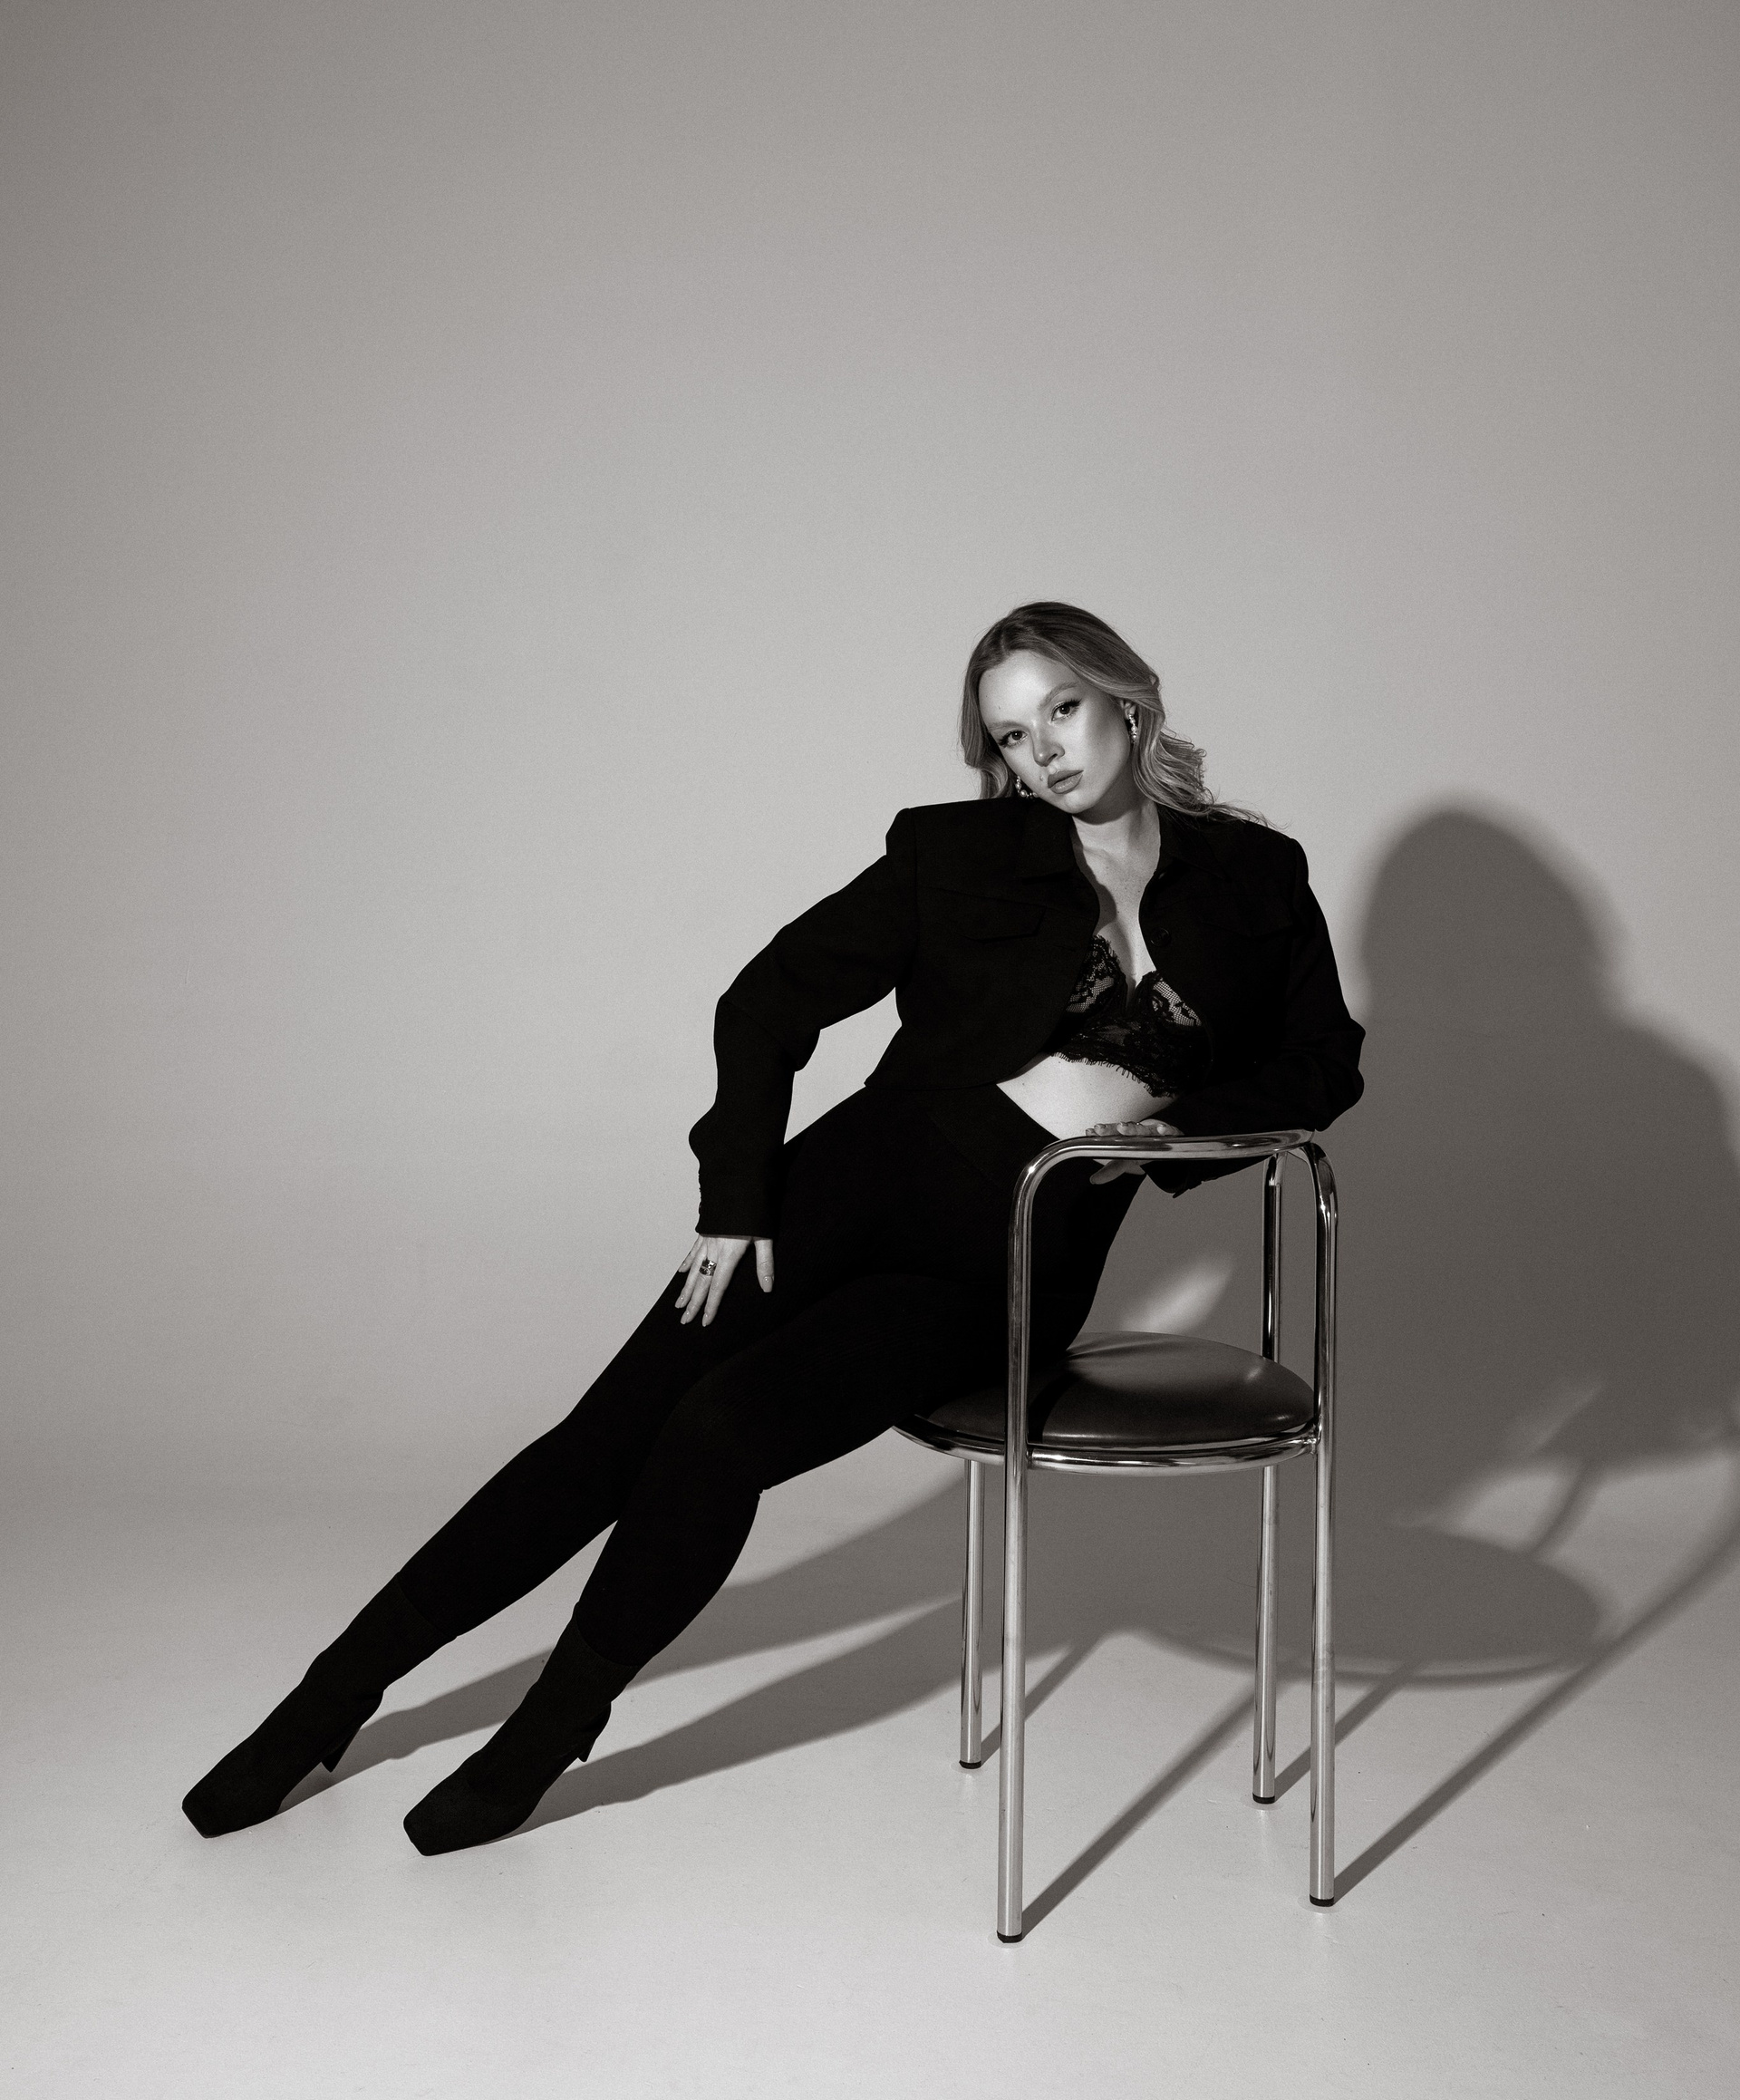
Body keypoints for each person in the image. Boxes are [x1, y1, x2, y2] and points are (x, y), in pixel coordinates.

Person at [182, 600, 1364, 1855]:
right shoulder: (956, 855)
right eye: (1014, 737)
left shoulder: (1256, 877)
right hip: (856, 1182)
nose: (1045, 753)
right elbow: (767, 1000)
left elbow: (1322, 1062)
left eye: (1061, 711)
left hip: (1011, 1254)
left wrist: (1162, 1136)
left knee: (724, 1430)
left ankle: (548, 1730)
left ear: (1125, 695)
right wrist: (737, 1200)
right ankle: (329, 1700)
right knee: (601, 1445)